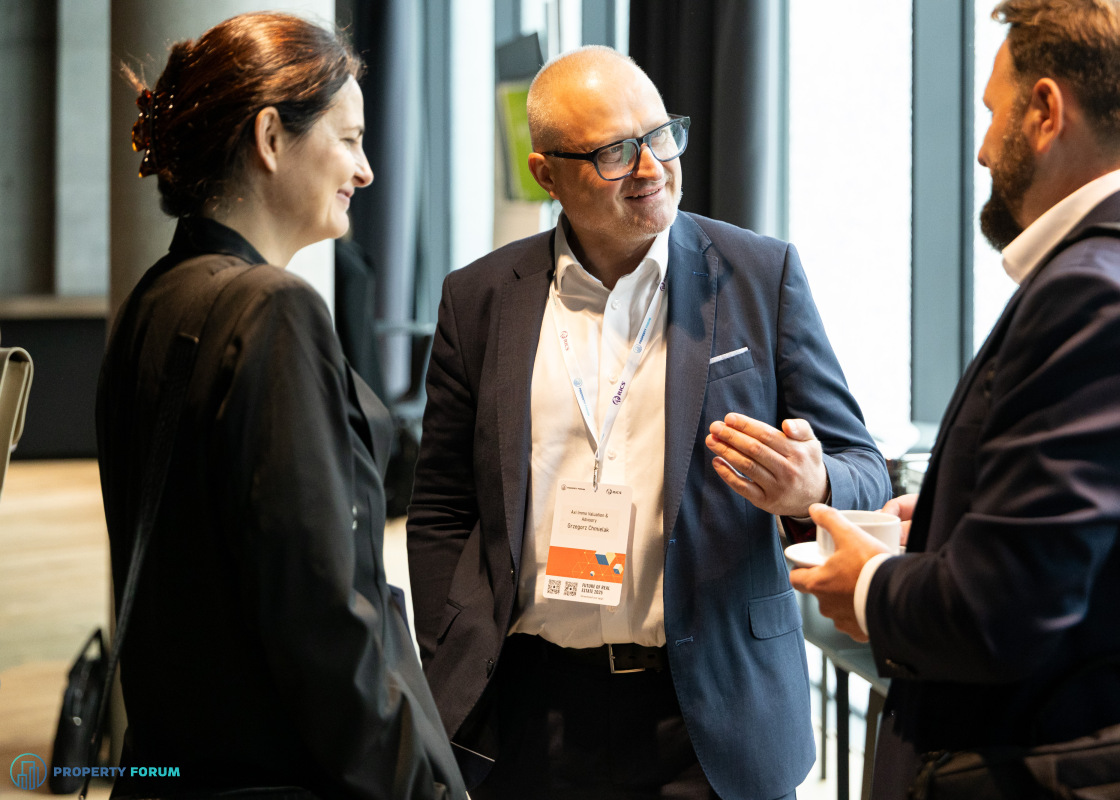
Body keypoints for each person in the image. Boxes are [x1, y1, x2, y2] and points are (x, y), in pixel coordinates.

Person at [712, 1, 1120, 797]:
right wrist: (952, 527)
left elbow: (1001, 609)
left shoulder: (1098, 295)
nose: (980, 148)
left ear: (1045, 111)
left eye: (992, 111)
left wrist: (869, 586)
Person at [405, 45, 891, 800]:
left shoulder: (759, 275)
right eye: (614, 152)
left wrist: (813, 484)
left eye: (662, 135)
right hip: (531, 711)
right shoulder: (480, 299)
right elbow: (441, 504)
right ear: (547, 174)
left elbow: (864, 468)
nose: (651, 167)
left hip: (712, 714)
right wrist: (451, 640)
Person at [96, 13, 466, 800]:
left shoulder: (153, 300)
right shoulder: (274, 308)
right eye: (349, 139)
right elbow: (322, 621)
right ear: (270, 137)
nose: (366, 170)